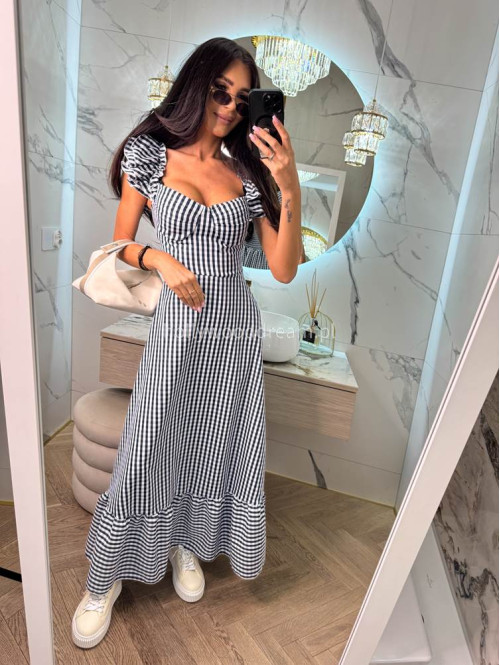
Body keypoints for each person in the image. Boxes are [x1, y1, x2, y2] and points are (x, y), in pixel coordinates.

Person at [72, 36, 302, 649]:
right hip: (176, 331)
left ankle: (185, 544)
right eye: (219, 91)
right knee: (148, 444)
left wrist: (289, 183)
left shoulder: (249, 173)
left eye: (241, 99)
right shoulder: (150, 154)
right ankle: (102, 581)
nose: (228, 107)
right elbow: (117, 246)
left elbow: (284, 269)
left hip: (235, 334)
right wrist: (160, 258)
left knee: (211, 447)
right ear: (196, 86)